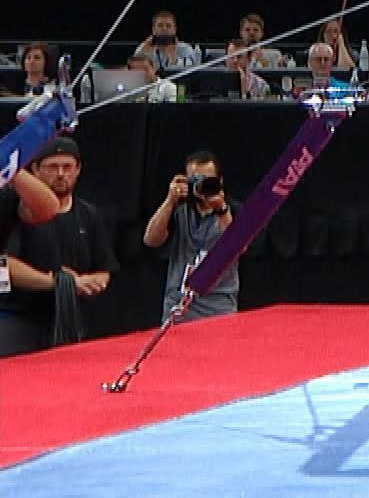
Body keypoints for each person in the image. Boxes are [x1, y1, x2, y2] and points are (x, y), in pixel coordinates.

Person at [0, 139, 117, 357]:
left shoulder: (89, 215)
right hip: (18, 318)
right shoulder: (13, 206)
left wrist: (92, 283)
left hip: (69, 318)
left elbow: (103, 267)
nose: (61, 174)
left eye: (67, 167)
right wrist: (61, 282)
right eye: (53, 167)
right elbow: (6, 266)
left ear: (78, 169)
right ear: (35, 169)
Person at [141, 150, 239, 321]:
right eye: (196, 181)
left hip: (218, 306)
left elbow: (238, 247)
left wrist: (222, 210)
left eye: (207, 181)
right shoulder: (179, 210)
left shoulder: (232, 209)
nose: (201, 187)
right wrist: (170, 200)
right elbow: (150, 240)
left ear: (220, 181)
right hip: (179, 304)